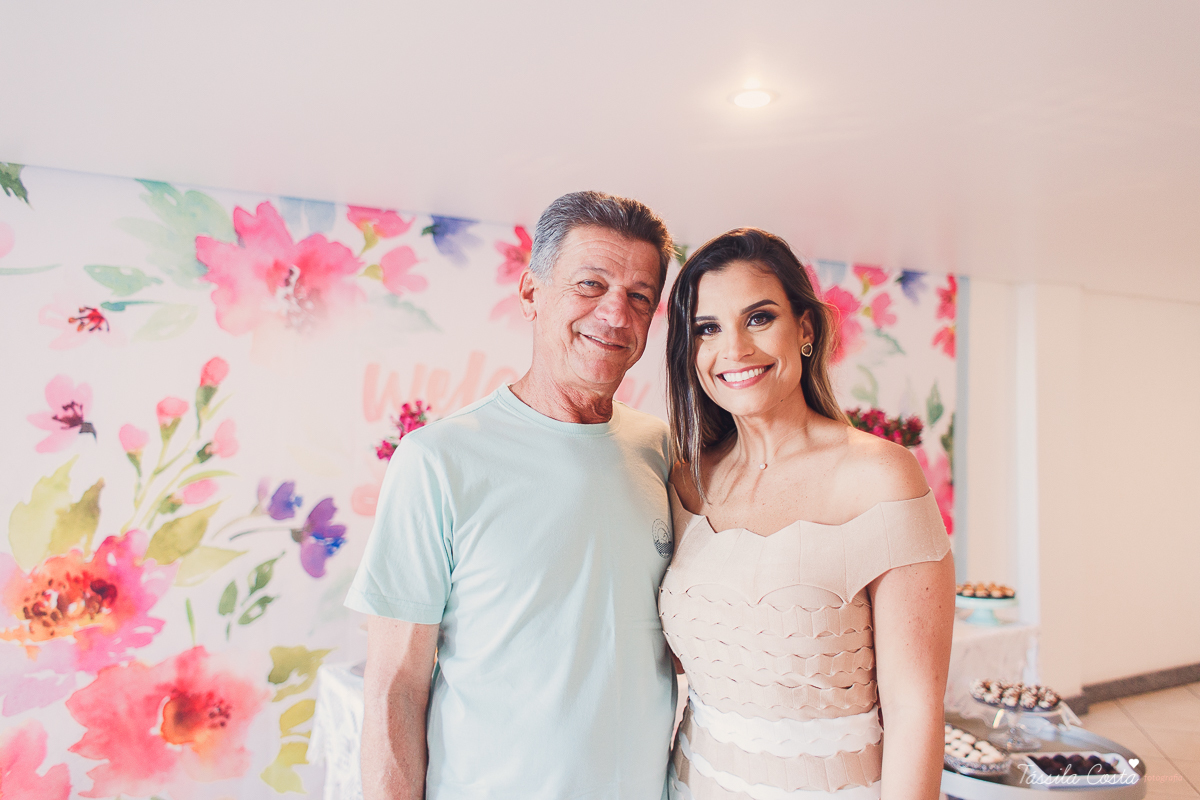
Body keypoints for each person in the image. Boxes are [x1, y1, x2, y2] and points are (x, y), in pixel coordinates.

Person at [346, 191, 679, 800]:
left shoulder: (663, 452)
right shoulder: (437, 460)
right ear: (531, 293)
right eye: (591, 285)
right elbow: (396, 689)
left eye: (640, 297)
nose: (616, 314)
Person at [660, 228, 955, 800]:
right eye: (706, 328)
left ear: (806, 330)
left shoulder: (882, 477)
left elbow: (914, 708)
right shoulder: (685, 480)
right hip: (693, 782)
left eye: (758, 318)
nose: (734, 349)